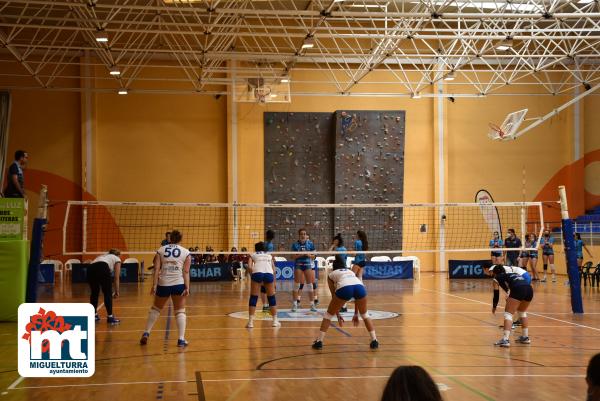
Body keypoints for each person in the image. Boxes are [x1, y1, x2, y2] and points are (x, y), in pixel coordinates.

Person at [312, 257, 378, 350]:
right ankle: (374, 340)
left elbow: (333, 296)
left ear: (333, 267)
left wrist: (337, 315)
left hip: (345, 288)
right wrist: (356, 314)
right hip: (360, 287)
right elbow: (356, 297)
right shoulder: (350, 271)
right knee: (365, 315)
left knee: (328, 316)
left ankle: (319, 342)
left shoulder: (331, 274)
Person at [140, 230, 191, 347]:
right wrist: (187, 287)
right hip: (178, 284)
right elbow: (186, 271)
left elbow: (156, 269)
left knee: (156, 309)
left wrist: (154, 285)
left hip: (163, 283)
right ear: (180, 239)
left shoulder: (161, 250)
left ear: (170, 238)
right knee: (180, 311)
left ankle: (146, 333)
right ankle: (181, 339)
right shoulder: (186, 252)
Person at [488, 264, 533, 347]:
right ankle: (525, 337)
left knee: (508, 314)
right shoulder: (513, 274)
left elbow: (496, 294)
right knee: (522, 312)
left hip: (518, 288)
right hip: (529, 289)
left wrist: (494, 306)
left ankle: (505, 340)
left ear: (495, 273)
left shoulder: (496, 278)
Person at [246, 241, 280, 328]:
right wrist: (274, 282)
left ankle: (250, 323)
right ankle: (275, 321)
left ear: (256, 248)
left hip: (257, 273)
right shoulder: (269, 255)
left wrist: (253, 276)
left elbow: (249, 267)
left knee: (254, 297)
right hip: (269, 274)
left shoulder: (252, 255)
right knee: (271, 297)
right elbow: (274, 269)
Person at [89, 249, 122, 324]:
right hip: (102, 267)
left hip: (90, 268)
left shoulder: (102, 256)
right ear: (118, 255)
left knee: (94, 293)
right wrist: (117, 291)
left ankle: (94, 315)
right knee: (107, 293)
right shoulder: (117, 258)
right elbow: (116, 277)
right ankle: (110, 317)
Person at [291, 228, 317, 312]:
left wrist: (308, 254)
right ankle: (295, 304)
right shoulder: (295, 245)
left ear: (306, 235)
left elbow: (314, 256)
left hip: (307, 265)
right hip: (298, 264)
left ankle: (312, 305)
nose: (303, 235)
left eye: (304, 234)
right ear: (299, 235)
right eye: (301, 234)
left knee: (310, 285)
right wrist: (300, 254)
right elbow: (292, 257)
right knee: (297, 285)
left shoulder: (310, 244)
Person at [261, 230, 276, 311]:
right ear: (273, 237)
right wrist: (273, 259)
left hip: (261, 264)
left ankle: (264, 305)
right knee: (270, 286)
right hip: (268, 264)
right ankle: (270, 305)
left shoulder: (262, 244)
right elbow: (270, 256)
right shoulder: (270, 245)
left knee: (263, 287)